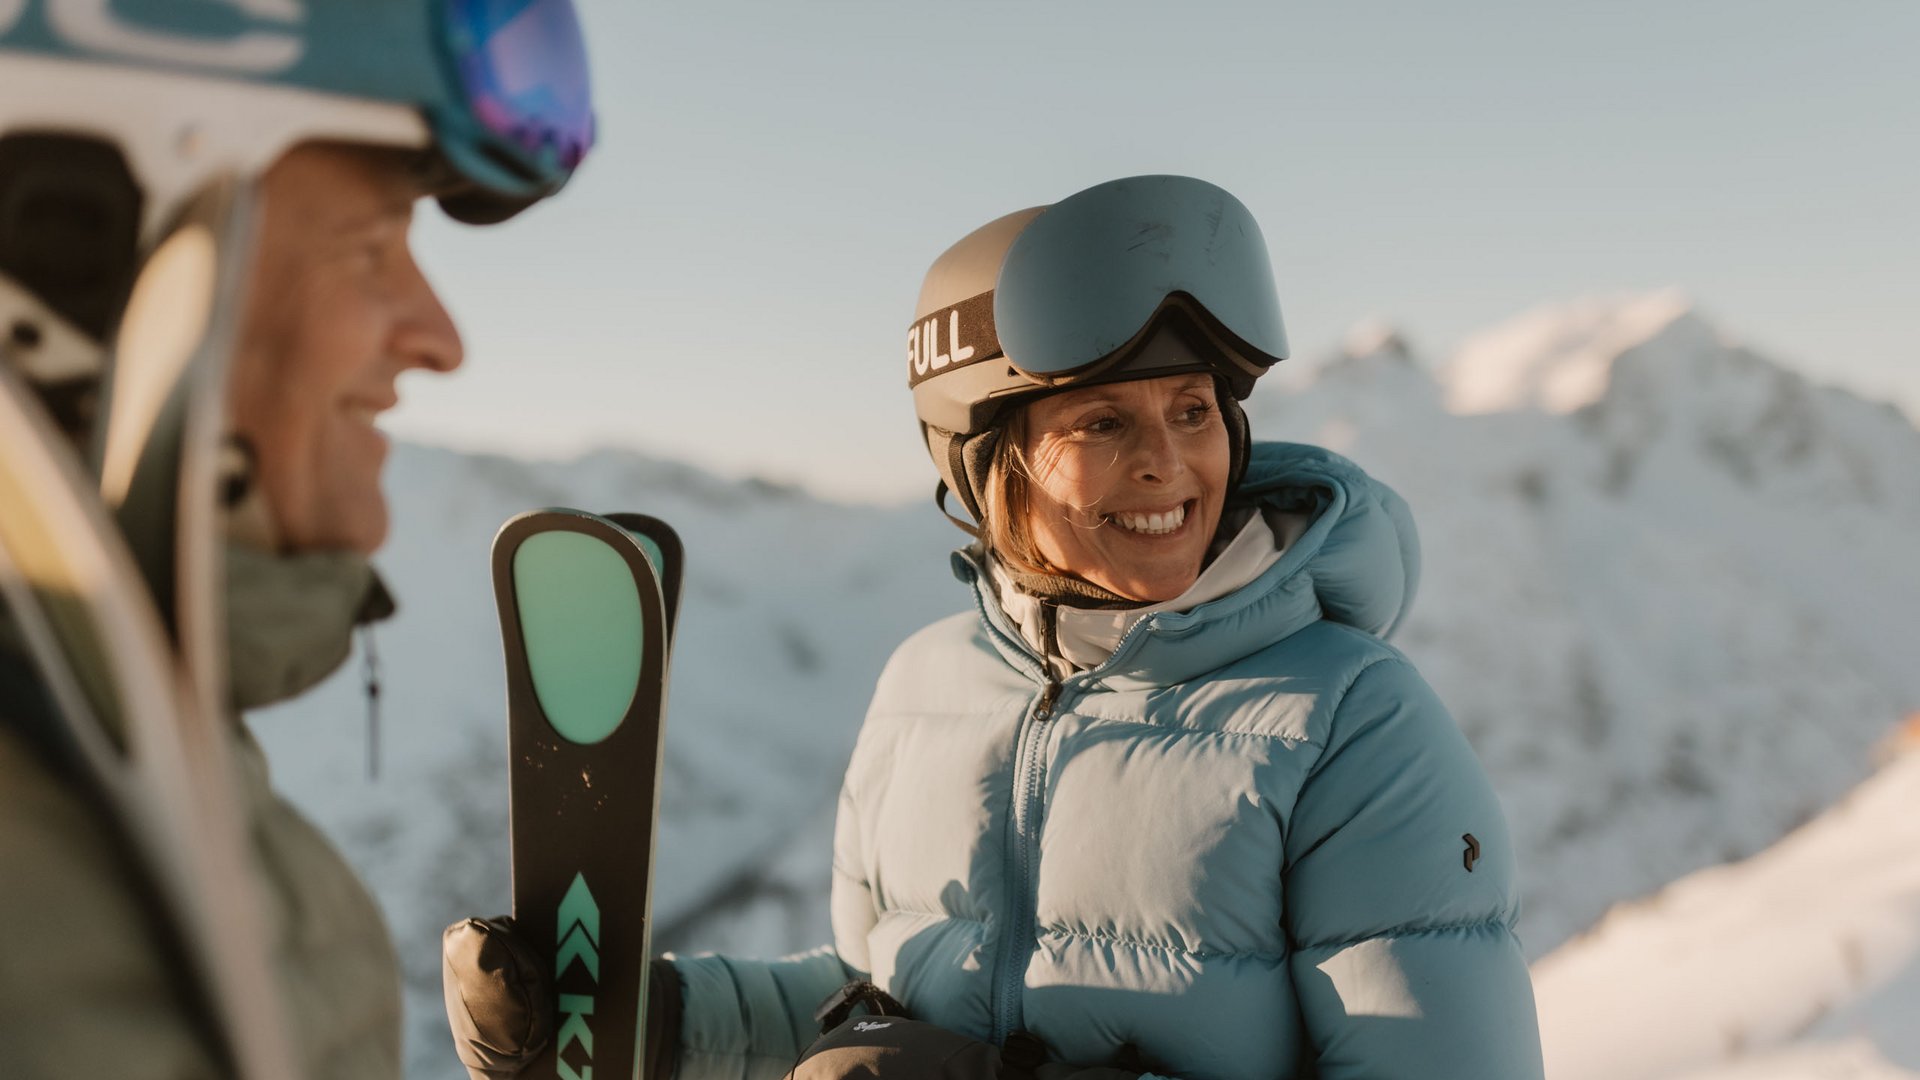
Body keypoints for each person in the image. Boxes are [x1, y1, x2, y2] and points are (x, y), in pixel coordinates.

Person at [446, 176, 1545, 1079]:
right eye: (1105, 421)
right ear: (989, 464)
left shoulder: (1351, 722)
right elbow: (868, 999)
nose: (1168, 462)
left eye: (1195, 411)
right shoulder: (928, 684)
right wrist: (648, 1020)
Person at [0, 5, 594, 1077]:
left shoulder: (108, 751)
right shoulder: (41, 928)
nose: (442, 338)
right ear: (74, 253)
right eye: (372, 244)